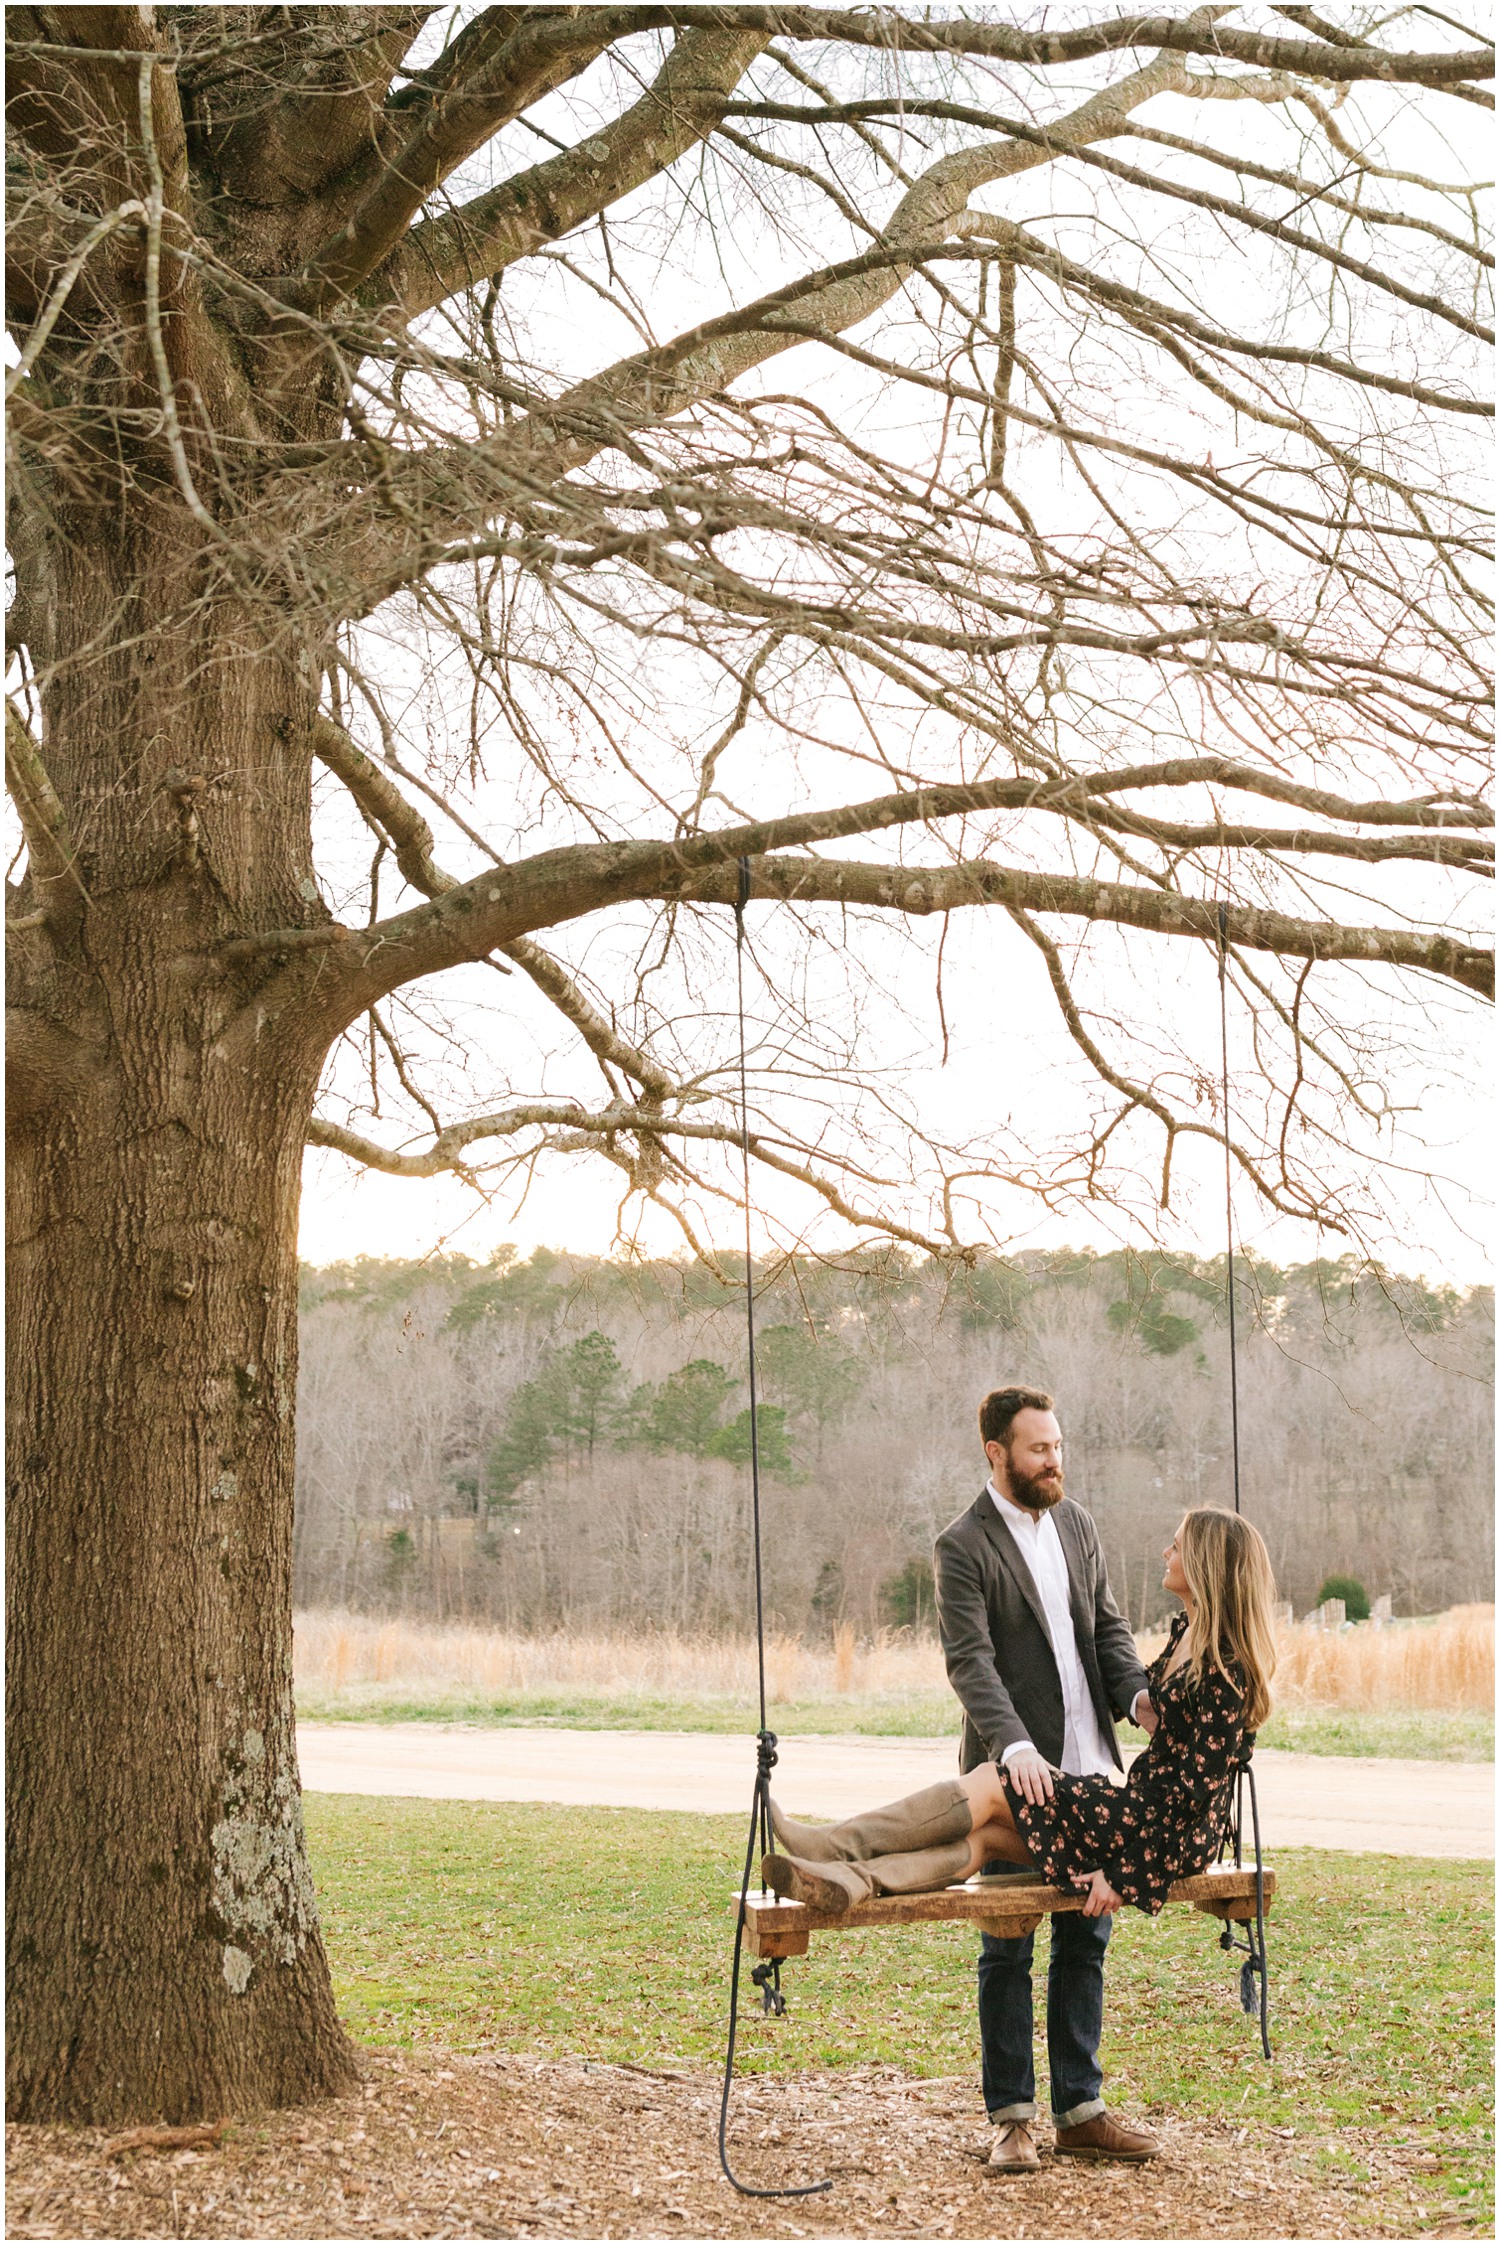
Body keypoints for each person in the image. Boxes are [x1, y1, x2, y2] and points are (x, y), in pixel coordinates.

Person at [762, 1387, 1274, 2175]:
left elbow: (1105, 1629)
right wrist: (1013, 1746)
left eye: (1059, 1445)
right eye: (1039, 1449)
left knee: (1083, 1945)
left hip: (1094, 1766)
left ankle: (1081, 2109)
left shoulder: (1077, 1523)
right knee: (1004, 1943)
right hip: (1018, 1760)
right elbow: (970, 1661)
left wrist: (1137, 1695)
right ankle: (1011, 2118)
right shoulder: (962, 1543)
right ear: (996, 1452)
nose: (1055, 1460)